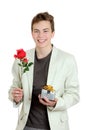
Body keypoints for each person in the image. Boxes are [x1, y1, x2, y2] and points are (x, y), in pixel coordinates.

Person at [8, 12, 80, 130]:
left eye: (45, 31)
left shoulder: (67, 60)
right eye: (36, 31)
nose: (41, 35)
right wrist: (15, 96)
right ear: (32, 33)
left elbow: (74, 94)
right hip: (27, 126)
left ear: (53, 33)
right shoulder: (22, 59)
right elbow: (15, 87)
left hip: (56, 126)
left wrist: (56, 103)